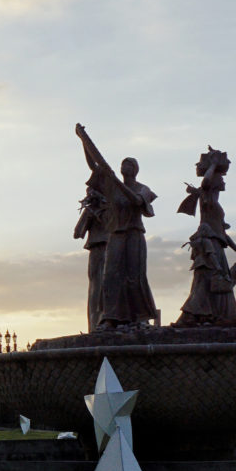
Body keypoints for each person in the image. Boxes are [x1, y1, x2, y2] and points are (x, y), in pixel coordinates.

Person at [75, 123, 158, 327]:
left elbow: (139, 202)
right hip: (116, 235)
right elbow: (95, 166)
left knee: (134, 275)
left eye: (128, 164)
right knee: (111, 276)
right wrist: (83, 140)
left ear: (135, 169)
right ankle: (111, 317)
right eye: (122, 164)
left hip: (134, 234)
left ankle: (139, 318)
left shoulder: (142, 188)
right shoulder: (112, 187)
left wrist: (119, 185)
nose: (124, 166)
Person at [175, 146, 236, 326]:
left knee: (217, 283)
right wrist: (212, 165)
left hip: (217, 245)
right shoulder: (207, 200)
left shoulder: (217, 205)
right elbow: (205, 184)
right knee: (205, 282)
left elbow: (223, 234)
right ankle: (190, 316)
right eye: (221, 178)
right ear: (215, 180)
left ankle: (213, 315)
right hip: (208, 246)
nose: (224, 182)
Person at [73, 184, 109, 332]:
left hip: (110, 249)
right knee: (96, 287)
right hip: (95, 250)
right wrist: (89, 215)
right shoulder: (89, 211)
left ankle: (107, 321)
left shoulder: (110, 209)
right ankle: (95, 324)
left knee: (108, 285)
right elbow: (77, 233)